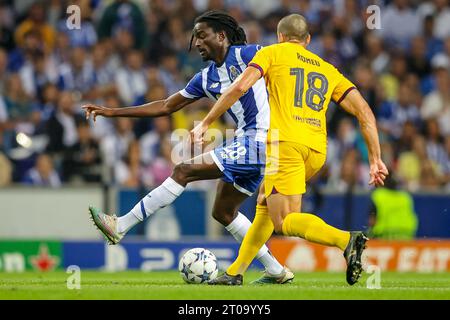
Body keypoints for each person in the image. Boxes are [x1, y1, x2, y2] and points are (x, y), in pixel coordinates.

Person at [82, 11, 293, 284]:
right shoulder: (205, 79)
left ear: (221, 36)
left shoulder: (247, 55)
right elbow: (166, 106)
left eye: (202, 35)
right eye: (194, 37)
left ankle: (120, 225)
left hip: (261, 140)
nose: (196, 43)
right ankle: (276, 270)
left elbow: (284, 56)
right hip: (247, 143)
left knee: (184, 169)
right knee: (223, 212)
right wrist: (112, 112)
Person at [192, 14, 388, 285]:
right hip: (317, 152)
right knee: (264, 205)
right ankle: (235, 272)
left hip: (284, 146)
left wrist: (206, 121)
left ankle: (347, 240)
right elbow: (364, 112)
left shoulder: (272, 53)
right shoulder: (327, 68)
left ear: (280, 36)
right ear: (307, 40)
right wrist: (376, 158)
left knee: (284, 219)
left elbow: (240, 86)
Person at [368, 173, 418, 240]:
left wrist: (370, 235)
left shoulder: (378, 195)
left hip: (384, 239)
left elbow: (372, 220)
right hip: (406, 239)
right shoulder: (405, 197)